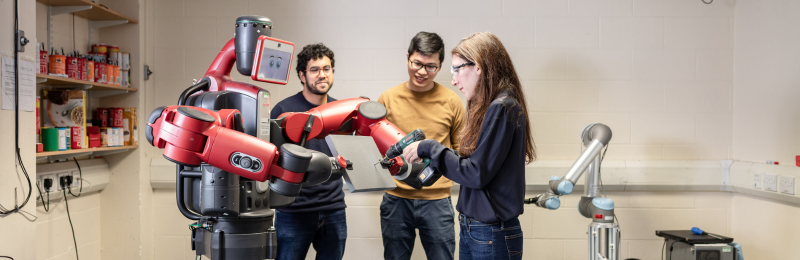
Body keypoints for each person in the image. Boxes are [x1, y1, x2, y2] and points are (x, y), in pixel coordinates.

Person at [402, 32, 536, 260]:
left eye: (456, 69)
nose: (453, 80)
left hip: (490, 232)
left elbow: (476, 174)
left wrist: (431, 148)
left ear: (479, 66)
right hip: (476, 229)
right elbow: (476, 164)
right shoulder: (491, 108)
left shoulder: (502, 107)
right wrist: (443, 158)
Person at [377, 31, 466, 260]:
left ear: (441, 65)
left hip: (437, 201)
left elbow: (461, 152)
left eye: (431, 66)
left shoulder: (451, 101)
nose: (422, 72)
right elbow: (374, 149)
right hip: (396, 200)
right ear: (408, 57)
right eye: (417, 63)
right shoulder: (388, 99)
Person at [271, 43, 346, 260]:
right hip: (293, 211)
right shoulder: (283, 110)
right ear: (302, 75)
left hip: (333, 209)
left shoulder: (341, 111)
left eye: (326, 69)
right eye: (314, 70)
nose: (322, 75)